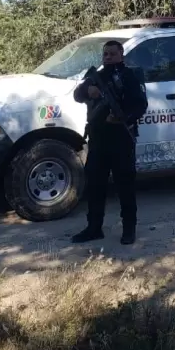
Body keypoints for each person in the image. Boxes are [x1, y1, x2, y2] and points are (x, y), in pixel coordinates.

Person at [71, 41, 148, 245]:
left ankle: (129, 229)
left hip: (122, 138)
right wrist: (90, 92)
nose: (108, 57)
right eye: (105, 54)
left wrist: (125, 118)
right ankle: (94, 228)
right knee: (95, 186)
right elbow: (77, 95)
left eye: (112, 53)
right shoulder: (95, 76)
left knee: (125, 186)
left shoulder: (130, 76)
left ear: (121, 54)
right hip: (98, 140)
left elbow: (141, 105)